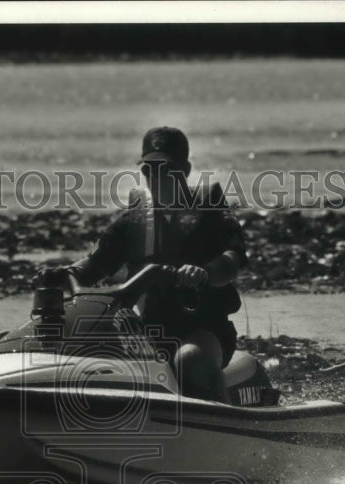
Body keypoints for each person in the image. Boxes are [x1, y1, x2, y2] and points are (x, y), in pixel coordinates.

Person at [51, 126, 247, 402]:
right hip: (149, 331)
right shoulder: (135, 219)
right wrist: (67, 272)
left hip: (204, 329)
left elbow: (232, 258)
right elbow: (97, 263)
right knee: (91, 363)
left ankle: (226, 432)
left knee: (190, 360)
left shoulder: (211, 209)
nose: (155, 177)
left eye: (165, 168)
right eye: (148, 169)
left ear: (185, 169)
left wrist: (204, 273)